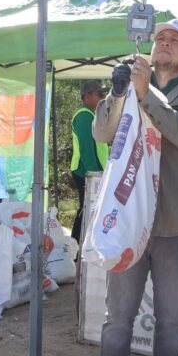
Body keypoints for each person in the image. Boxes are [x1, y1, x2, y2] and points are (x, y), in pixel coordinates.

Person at [93, 18, 178, 356]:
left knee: (170, 321)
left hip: (176, 223)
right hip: (128, 219)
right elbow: (102, 132)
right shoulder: (130, 85)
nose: (164, 42)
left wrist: (146, 94)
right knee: (117, 317)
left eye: (175, 40)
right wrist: (119, 94)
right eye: (160, 37)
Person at [70, 79, 109, 243]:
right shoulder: (84, 116)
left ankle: (78, 246)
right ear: (87, 96)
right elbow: (87, 148)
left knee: (88, 209)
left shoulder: (90, 114)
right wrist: (94, 173)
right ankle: (76, 247)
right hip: (86, 172)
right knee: (86, 210)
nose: (103, 97)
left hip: (92, 171)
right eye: (99, 94)